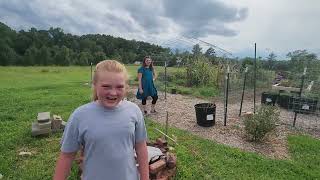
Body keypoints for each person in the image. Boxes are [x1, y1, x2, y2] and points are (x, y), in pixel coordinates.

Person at [54, 60, 149, 180]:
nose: (113, 92)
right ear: (94, 85)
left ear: (126, 87)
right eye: (106, 86)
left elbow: (141, 148)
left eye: (119, 87)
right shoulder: (80, 116)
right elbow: (67, 156)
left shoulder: (133, 111)